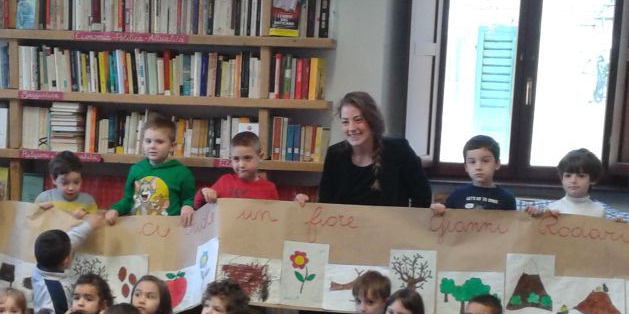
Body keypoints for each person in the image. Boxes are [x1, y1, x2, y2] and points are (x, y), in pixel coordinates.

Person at [299, 91, 431, 208]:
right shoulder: (335, 154)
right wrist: (305, 205)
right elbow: (325, 202)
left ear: (372, 121)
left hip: (390, 228)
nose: (351, 128)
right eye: (345, 122)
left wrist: (408, 225)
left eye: (358, 120)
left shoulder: (399, 150)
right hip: (345, 228)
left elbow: (422, 197)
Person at [105, 113, 196, 227]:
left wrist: (187, 206)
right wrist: (115, 210)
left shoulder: (182, 173)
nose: (152, 146)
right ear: (142, 143)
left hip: (168, 230)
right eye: (148, 141)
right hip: (138, 228)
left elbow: (189, 198)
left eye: (159, 142)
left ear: (172, 146)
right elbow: (128, 199)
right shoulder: (136, 170)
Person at [32, 216, 101, 314]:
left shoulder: (42, 264)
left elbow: (70, 241)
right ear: (66, 260)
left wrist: (89, 225)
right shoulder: (55, 295)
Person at [430, 135, 515, 213]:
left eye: (485, 161)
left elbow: (513, 222)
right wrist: (440, 210)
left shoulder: (507, 198)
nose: (478, 167)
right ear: (466, 167)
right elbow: (446, 216)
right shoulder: (458, 194)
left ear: (497, 164)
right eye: (472, 162)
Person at [193, 131, 279, 208]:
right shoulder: (225, 181)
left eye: (247, 158)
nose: (241, 165)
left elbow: (275, 216)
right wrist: (204, 193)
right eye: (236, 159)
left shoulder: (269, 188)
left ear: (260, 156)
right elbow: (197, 205)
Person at [526, 149, 615, 219]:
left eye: (581, 176)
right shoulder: (552, 209)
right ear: (562, 179)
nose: (573, 180)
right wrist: (535, 216)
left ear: (593, 179)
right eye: (568, 176)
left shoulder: (599, 211)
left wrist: (617, 225)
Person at [35, 150, 98, 218]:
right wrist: (40, 210)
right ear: (54, 179)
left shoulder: (88, 201)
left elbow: (95, 221)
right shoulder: (44, 198)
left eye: (76, 182)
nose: (71, 188)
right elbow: (33, 219)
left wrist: (85, 216)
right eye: (64, 183)